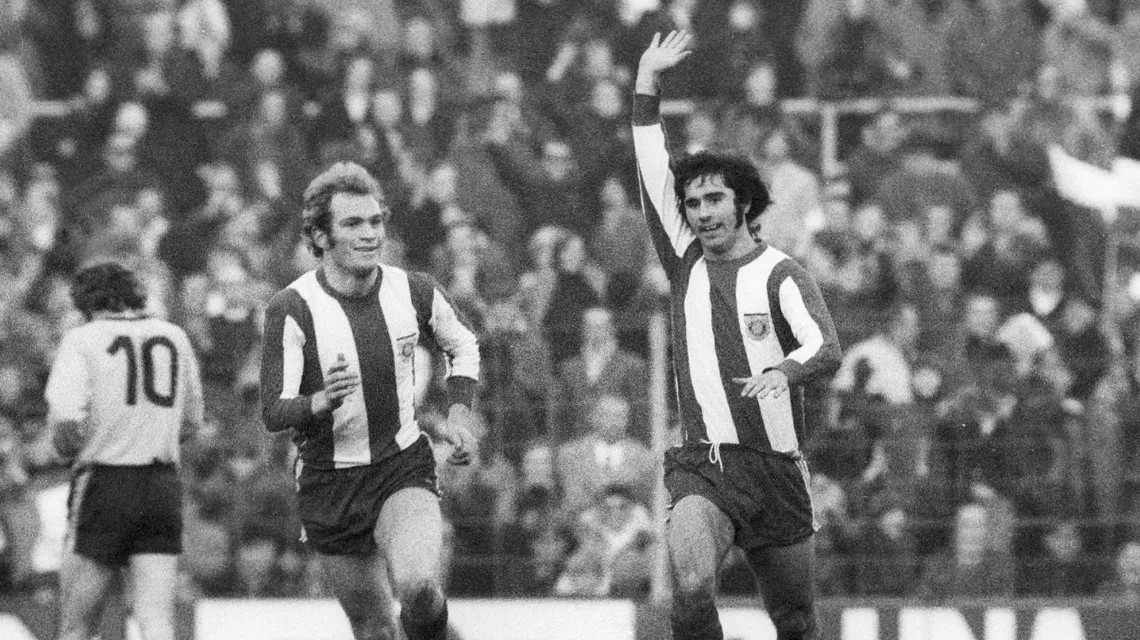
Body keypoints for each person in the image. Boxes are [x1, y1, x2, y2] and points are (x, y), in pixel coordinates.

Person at [633, 32, 842, 640]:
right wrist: (646, 84)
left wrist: (784, 371)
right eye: (693, 203)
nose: (702, 212)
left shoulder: (781, 273)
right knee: (691, 585)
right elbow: (651, 165)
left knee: (796, 620)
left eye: (715, 199)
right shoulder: (684, 260)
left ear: (744, 203)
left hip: (776, 469)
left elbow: (825, 347)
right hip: (706, 463)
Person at [259, 161, 480, 640]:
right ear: (320, 236)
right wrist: (319, 401)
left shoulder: (414, 290)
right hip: (329, 483)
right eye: (353, 224)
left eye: (376, 221)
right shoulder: (291, 308)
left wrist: (460, 414)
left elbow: (463, 344)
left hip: (401, 466)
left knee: (419, 590)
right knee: (376, 629)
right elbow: (274, 410)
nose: (369, 234)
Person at [38, 262, 205, 640]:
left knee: (77, 625)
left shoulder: (83, 339)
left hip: (105, 481)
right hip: (162, 483)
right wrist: (150, 433)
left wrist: (70, 449)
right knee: (155, 619)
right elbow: (193, 421)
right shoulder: (173, 336)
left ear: (86, 304)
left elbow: (65, 416)